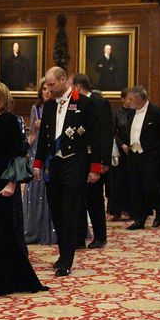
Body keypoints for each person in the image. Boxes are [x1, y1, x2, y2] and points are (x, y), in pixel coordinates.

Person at [0, 81, 46, 294]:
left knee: (4, 230)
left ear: (2, 100)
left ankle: (7, 281)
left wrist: (12, 183)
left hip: (3, 182)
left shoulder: (10, 121)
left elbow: (18, 153)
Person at [34, 68, 101, 278]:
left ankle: (67, 260)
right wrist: (37, 163)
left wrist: (96, 167)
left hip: (75, 162)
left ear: (63, 80)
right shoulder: (50, 105)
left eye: (52, 85)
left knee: (69, 210)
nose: (49, 89)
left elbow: (97, 136)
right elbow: (45, 138)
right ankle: (63, 253)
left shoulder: (85, 103)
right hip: (54, 164)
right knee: (56, 210)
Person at [120, 86, 160, 230]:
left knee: (151, 186)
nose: (128, 102)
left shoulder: (157, 113)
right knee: (135, 188)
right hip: (134, 155)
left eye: (131, 99)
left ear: (140, 99)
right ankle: (139, 219)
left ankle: (159, 211)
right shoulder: (130, 113)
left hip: (151, 156)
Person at [73, 74, 112, 247]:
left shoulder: (99, 103)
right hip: (80, 158)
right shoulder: (77, 103)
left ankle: (100, 236)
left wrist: (101, 163)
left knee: (95, 200)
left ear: (78, 86)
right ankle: (80, 236)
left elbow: (104, 135)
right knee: (80, 198)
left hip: (95, 158)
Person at [23, 82, 57, 245]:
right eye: (44, 89)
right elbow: (32, 134)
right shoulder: (35, 109)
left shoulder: (57, 107)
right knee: (36, 188)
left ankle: (52, 229)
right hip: (36, 151)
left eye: (49, 89)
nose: (47, 92)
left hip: (51, 152)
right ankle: (35, 227)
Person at [107, 90, 132, 221]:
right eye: (128, 99)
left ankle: (131, 209)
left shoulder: (135, 112)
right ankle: (116, 210)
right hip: (119, 150)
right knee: (117, 180)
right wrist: (122, 144)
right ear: (123, 99)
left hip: (133, 149)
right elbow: (112, 131)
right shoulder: (117, 113)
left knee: (131, 180)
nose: (131, 101)